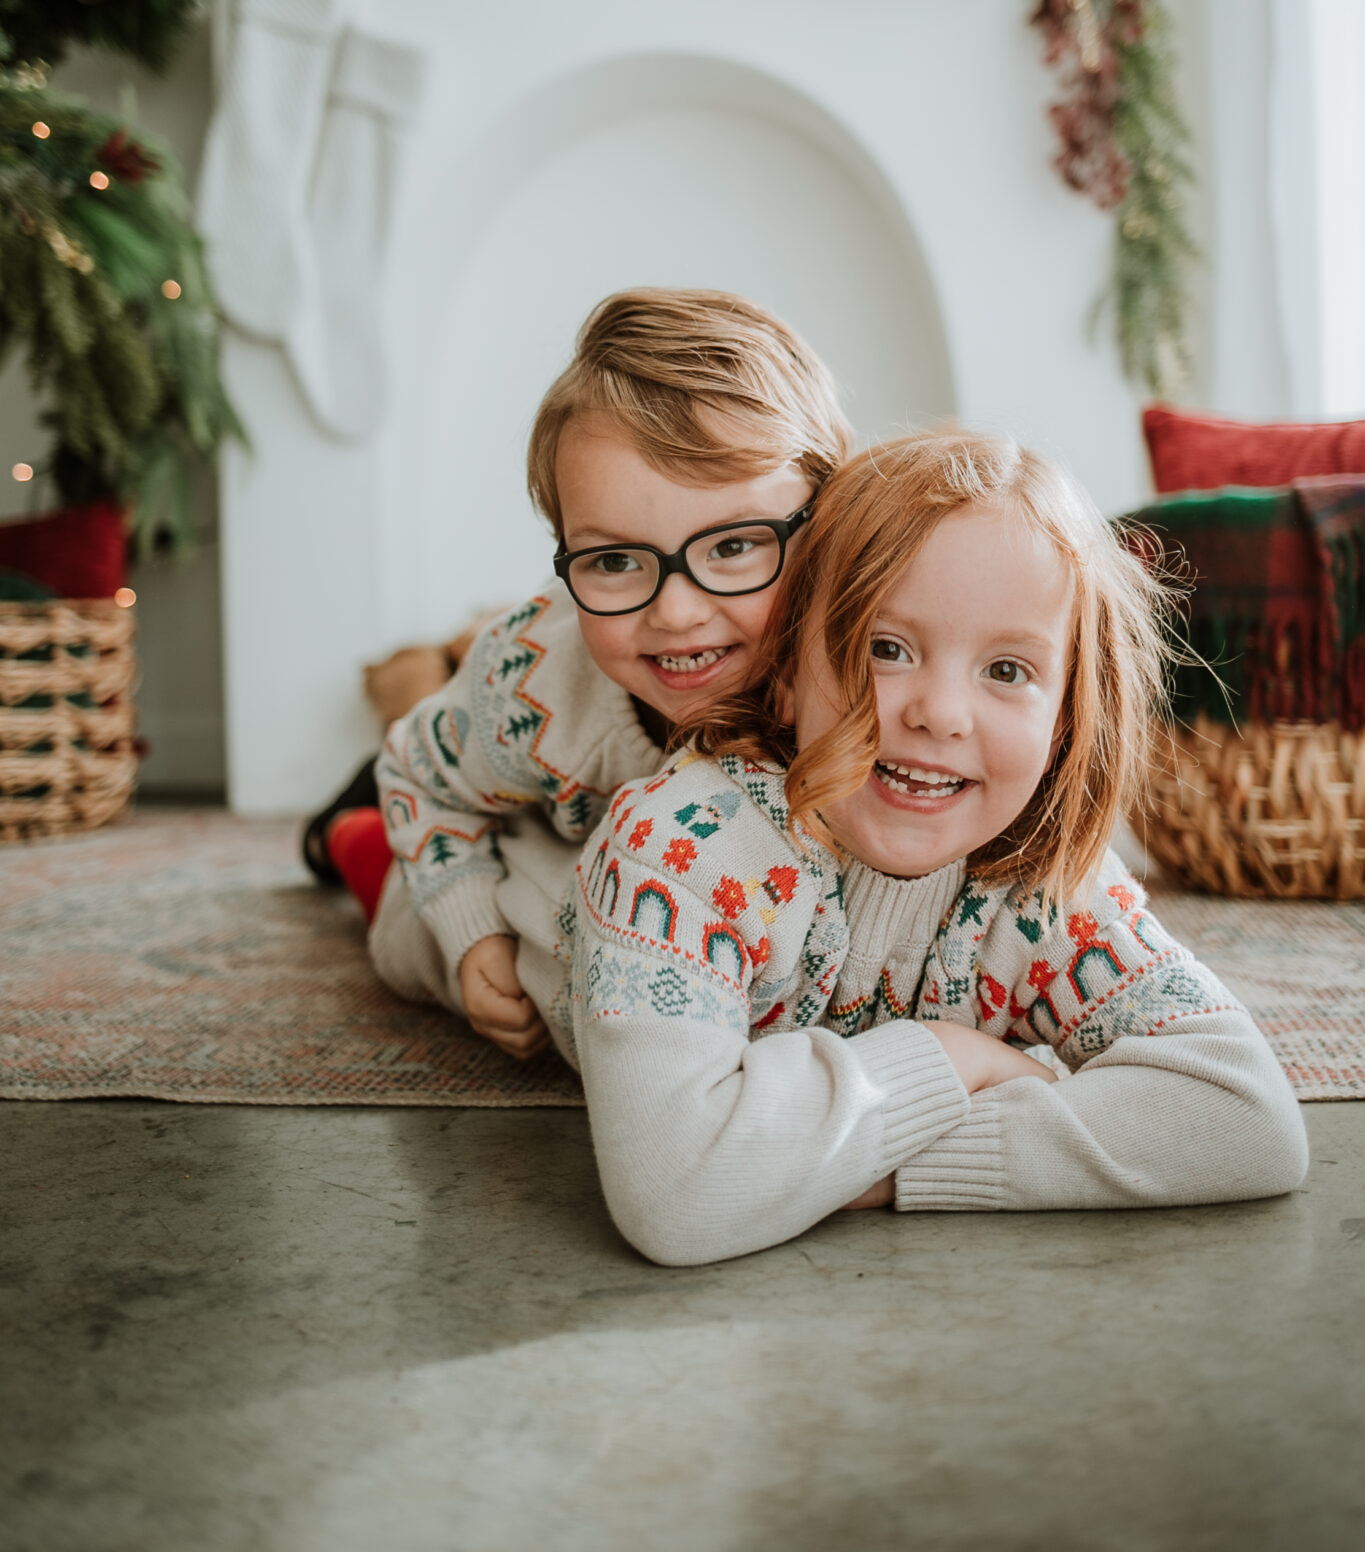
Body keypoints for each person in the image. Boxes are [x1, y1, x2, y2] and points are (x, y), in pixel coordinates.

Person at [545, 428, 1308, 1265]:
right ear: (787, 674)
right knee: (452, 941)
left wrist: (859, 1167)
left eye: (1007, 671)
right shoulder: (677, 850)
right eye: (885, 649)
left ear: (1065, 718)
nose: (940, 713)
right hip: (542, 919)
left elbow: (1247, 1118)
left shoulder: (1045, 884)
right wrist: (953, 1057)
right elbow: (678, 1196)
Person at [343, 287, 850, 1058]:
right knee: (418, 927)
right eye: (613, 560)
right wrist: (470, 931)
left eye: (735, 546)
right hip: (529, 829)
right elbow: (417, 773)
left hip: (685, 879)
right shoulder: (533, 678)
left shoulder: (875, 660)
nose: (677, 613)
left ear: (827, 517)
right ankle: (358, 848)